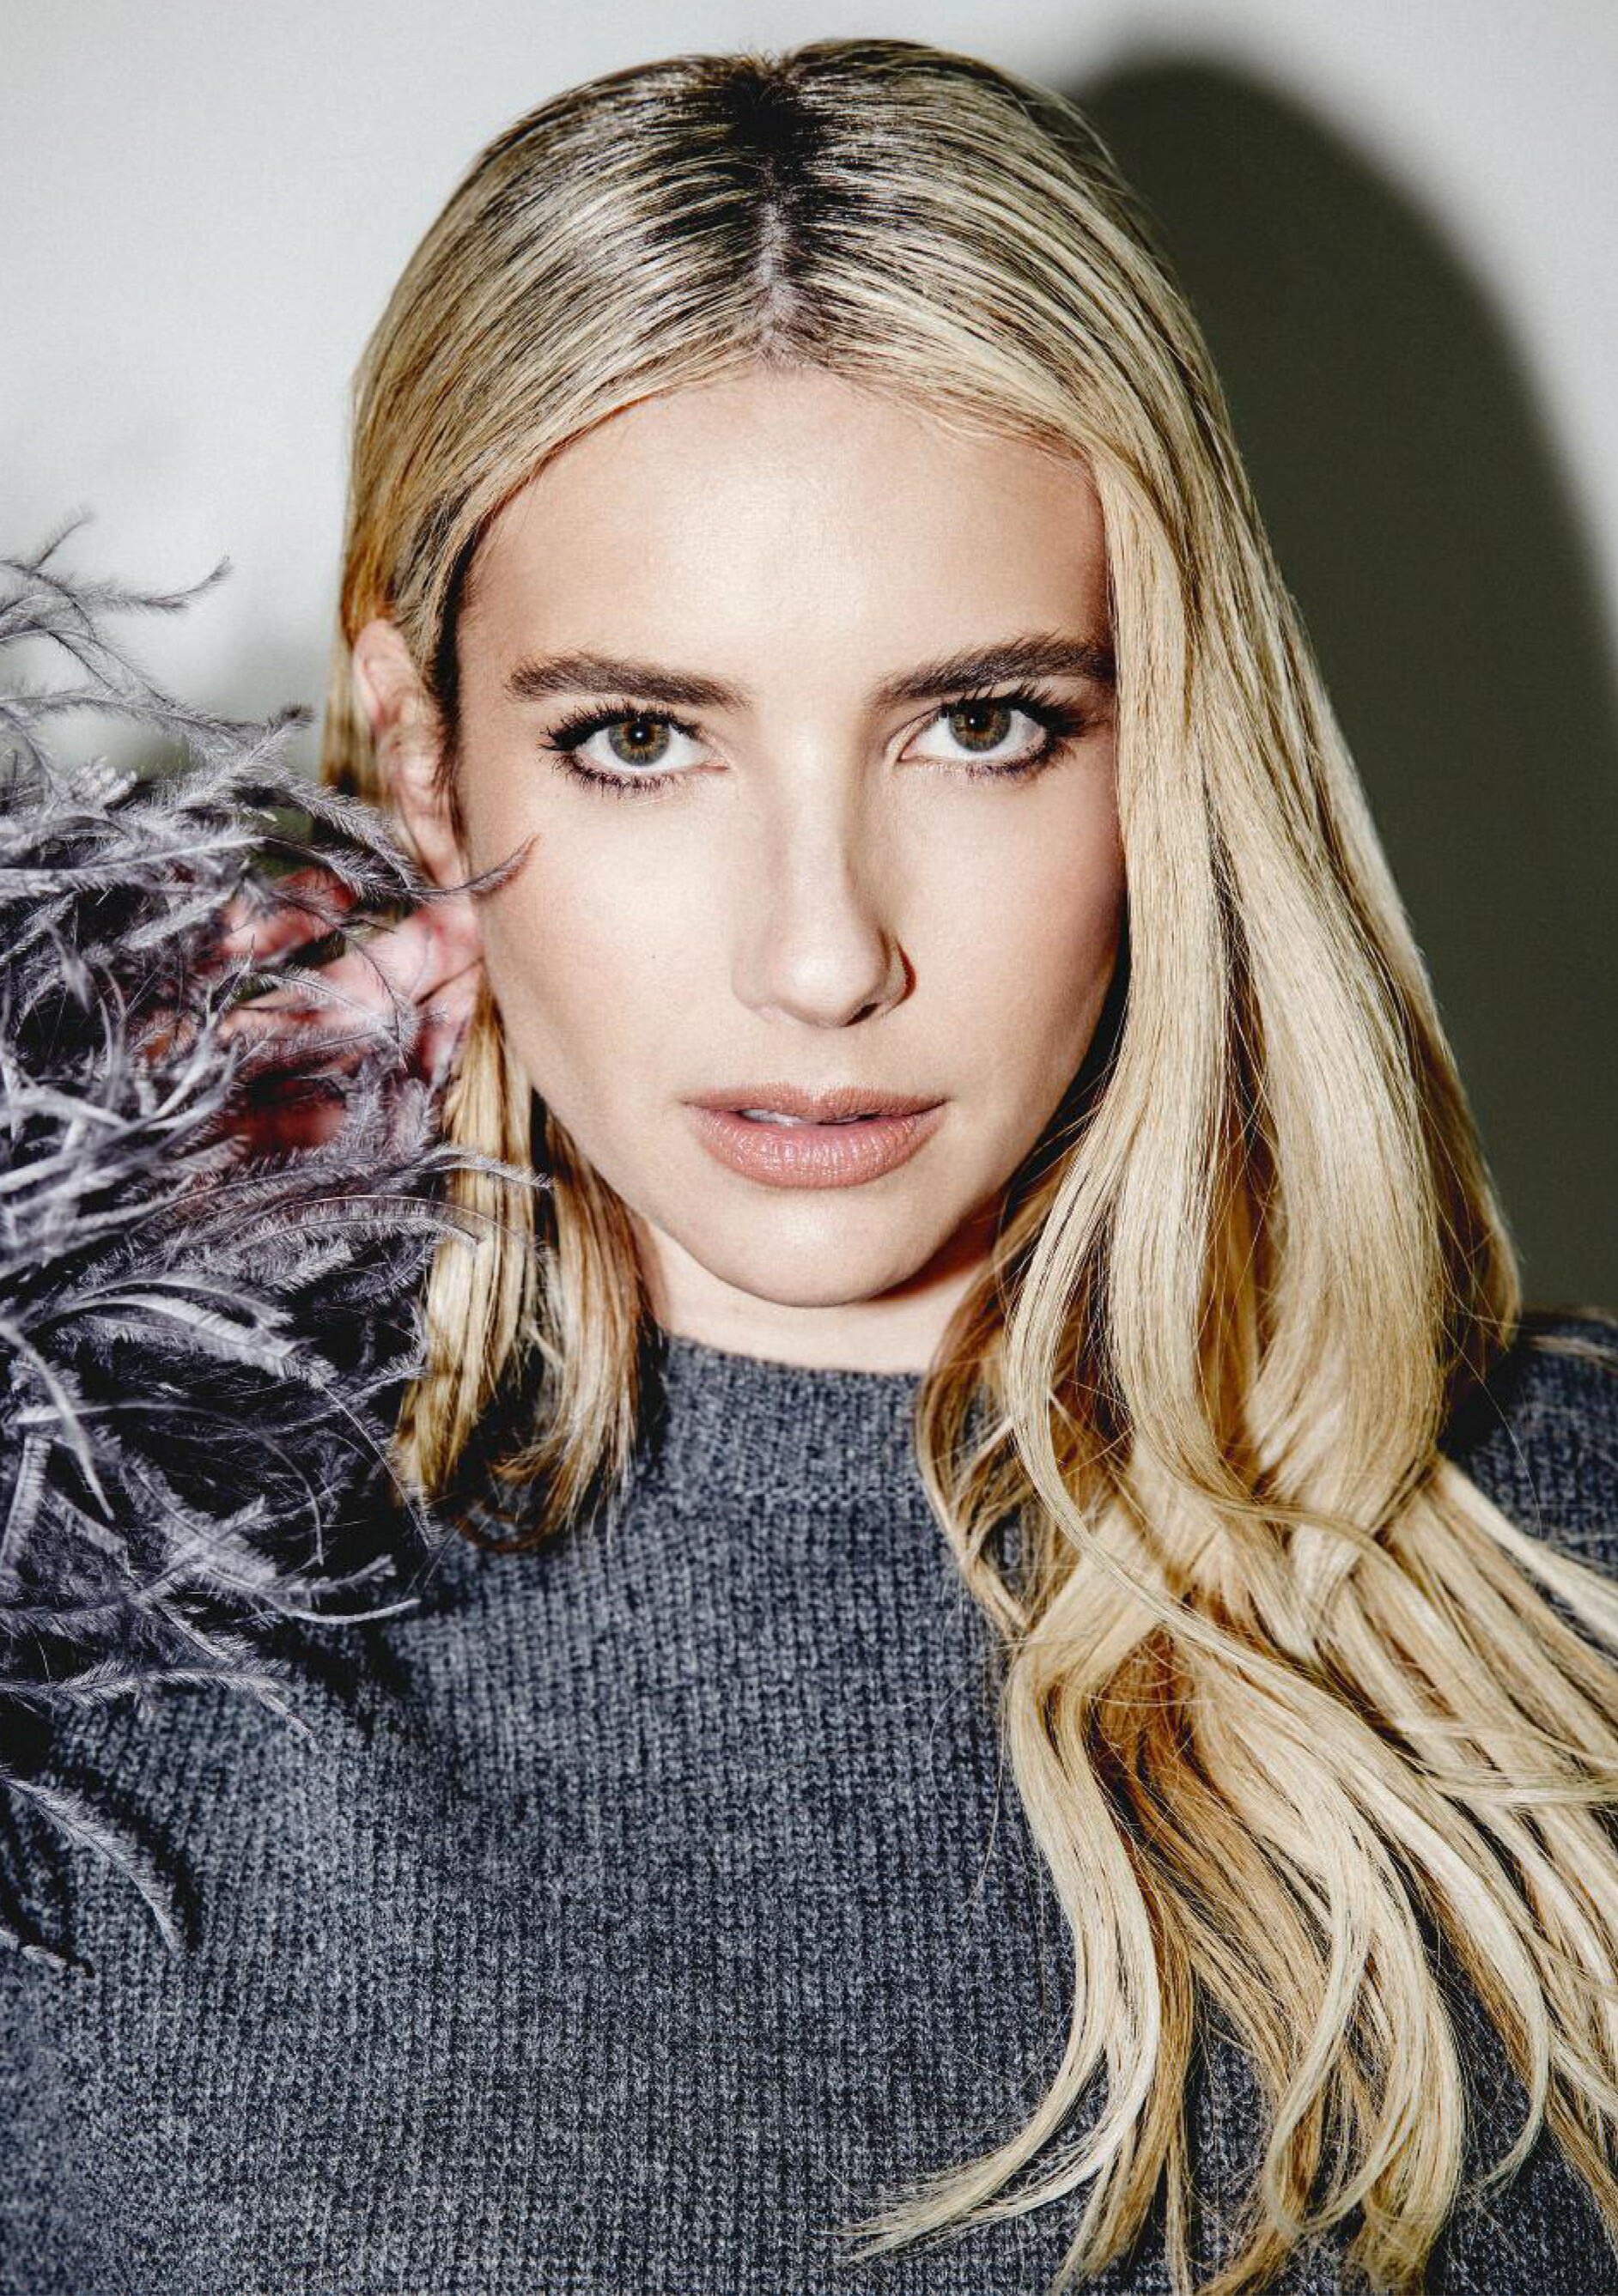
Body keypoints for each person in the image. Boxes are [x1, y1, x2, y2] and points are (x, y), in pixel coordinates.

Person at [3, 34, 1617, 2296]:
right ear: (429, 762)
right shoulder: (95, 1656)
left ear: (1162, 746)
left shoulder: (1564, 1589)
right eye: (637, 737)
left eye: (982, 723)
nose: (824, 953)